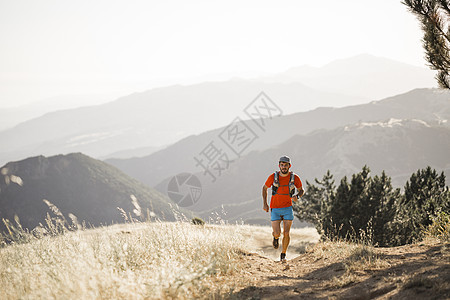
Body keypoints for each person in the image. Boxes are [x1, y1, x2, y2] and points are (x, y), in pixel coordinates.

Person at [262, 155, 304, 262]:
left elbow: (301, 190)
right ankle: (275, 238)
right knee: (277, 233)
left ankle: (283, 254)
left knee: (286, 233)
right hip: (275, 208)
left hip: (287, 208)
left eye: (285, 165)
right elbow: (264, 188)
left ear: (289, 166)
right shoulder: (273, 177)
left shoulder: (294, 178)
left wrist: (297, 196)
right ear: (279, 166)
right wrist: (265, 204)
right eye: (282, 165)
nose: (283, 167)